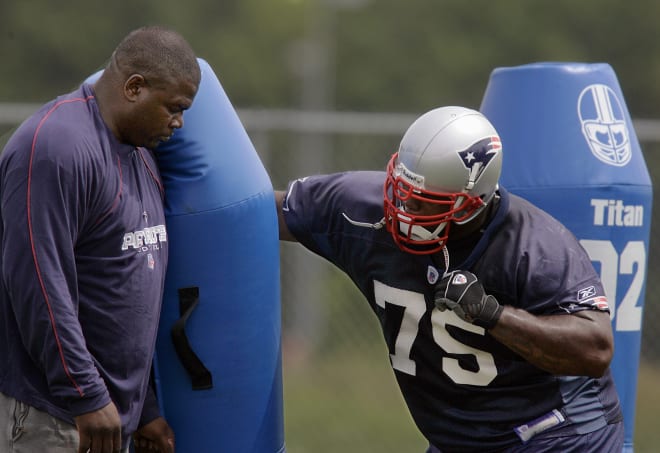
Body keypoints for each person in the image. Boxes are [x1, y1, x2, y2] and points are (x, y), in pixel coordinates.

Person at [275, 106, 624, 452]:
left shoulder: (535, 248)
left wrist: (492, 314)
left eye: (425, 204)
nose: (404, 212)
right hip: (458, 440)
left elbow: (595, 348)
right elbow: (256, 212)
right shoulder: (360, 209)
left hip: (554, 435)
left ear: (471, 205)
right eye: (402, 193)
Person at [0, 26, 201, 453]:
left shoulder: (142, 154)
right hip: (54, 415)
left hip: (107, 419)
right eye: (175, 107)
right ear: (134, 88)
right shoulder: (57, 147)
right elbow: (38, 283)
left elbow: (125, 287)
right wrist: (85, 393)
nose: (179, 123)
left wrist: (143, 408)